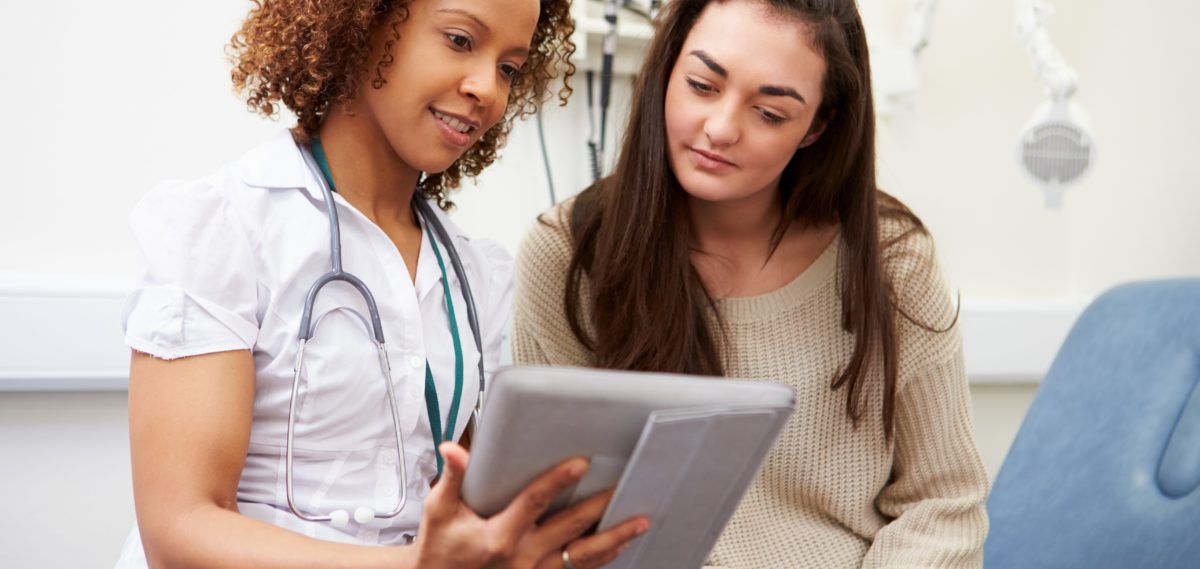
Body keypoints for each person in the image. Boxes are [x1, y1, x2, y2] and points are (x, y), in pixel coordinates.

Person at [116, 0, 647, 567]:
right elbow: (179, 531)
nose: (487, 89)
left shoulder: (472, 273)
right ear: (362, 22)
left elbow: (456, 503)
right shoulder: (225, 228)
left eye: (510, 68)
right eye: (461, 40)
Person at [512, 0, 989, 567]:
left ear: (817, 126)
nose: (719, 128)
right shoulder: (568, 253)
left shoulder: (892, 262)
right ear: (666, 69)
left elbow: (944, 504)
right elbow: (551, 511)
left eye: (769, 113)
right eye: (701, 85)